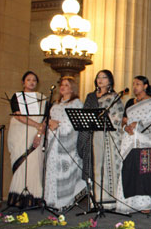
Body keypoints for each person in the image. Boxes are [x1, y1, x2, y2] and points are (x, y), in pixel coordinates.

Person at [115, 76, 151, 214]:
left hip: (144, 141)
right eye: (133, 84)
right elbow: (124, 121)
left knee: (141, 171)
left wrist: (138, 125)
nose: (135, 86)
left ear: (145, 86)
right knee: (127, 169)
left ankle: (144, 205)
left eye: (138, 84)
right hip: (129, 140)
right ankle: (127, 203)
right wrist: (126, 127)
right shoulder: (130, 103)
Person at [77, 70, 124, 208]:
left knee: (105, 166)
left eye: (104, 77)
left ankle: (107, 201)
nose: (100, 80)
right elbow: (85, 114)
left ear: (110, 81)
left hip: (107, 137)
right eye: (98, 77)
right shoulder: (90, 97)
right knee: (93, 165)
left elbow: (118, 117)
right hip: (91, 135)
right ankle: (94, 200)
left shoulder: (114, 97)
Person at [43, 76, 85, 211]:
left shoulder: (76, 103)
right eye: (62, 84)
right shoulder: (55, 106)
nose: (63, 87)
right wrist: (50, 124)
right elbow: (51, 121)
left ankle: (64, 201)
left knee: (64, 172)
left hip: (67, 146)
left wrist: (58, 125)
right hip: (54, 144)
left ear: (72, 88)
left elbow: (76, 124)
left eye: (66, 85)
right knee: (52, 171)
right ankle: (51, 200)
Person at [7, 71, 47, 208]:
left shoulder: (42, 98)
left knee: (34, 164)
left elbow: (45, 119)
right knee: (22, 165)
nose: (31, 82)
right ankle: (18, 198)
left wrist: (39, 132)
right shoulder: (17, 97)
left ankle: (34, 198)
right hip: (20, 134)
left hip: (36, 136)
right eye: (29, 80)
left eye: (34, 80)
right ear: (23, 82)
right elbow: (18, 116)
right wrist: (37, 125)